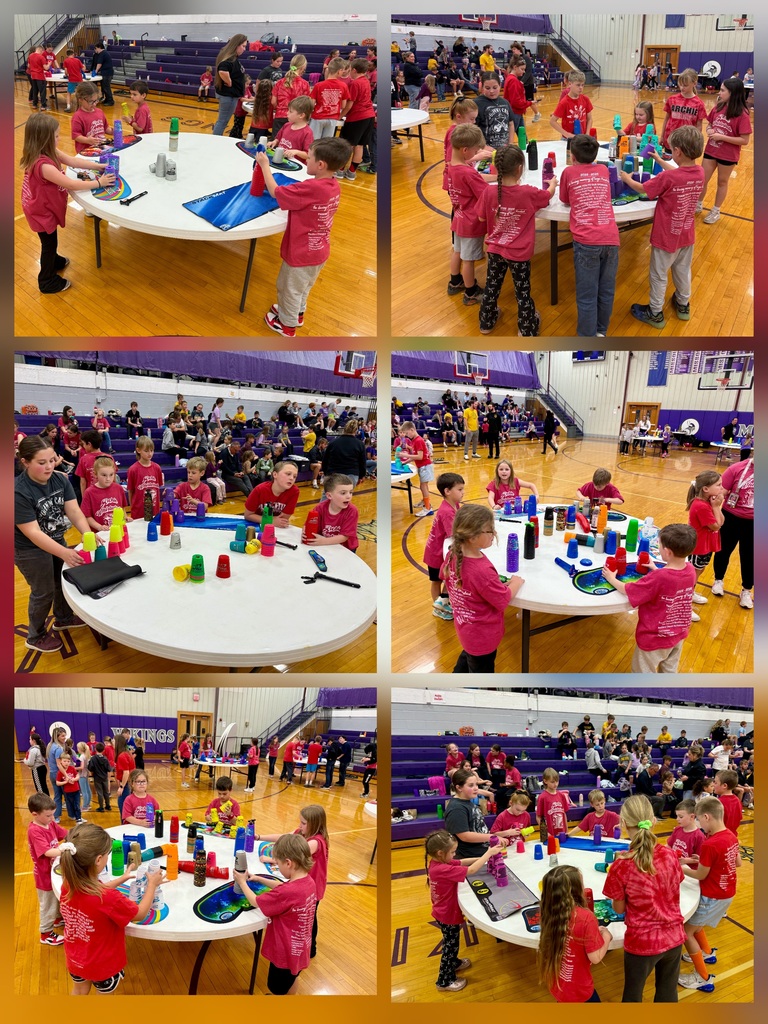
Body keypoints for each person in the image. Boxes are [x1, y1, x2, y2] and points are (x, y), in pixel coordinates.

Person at [256, 137, 351, 337]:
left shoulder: (311, 188)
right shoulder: (333, 185)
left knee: (288, 288)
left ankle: (287, 326)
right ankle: (297, 314)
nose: (306, 160)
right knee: (303, 287)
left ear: (320, 164)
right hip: (320, 250)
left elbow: (275, 192)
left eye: (309, 157)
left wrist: (265, 165)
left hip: (301, 252)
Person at [59, 822, 165, 994]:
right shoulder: (108, 898)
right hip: (103, 965)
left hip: (76, 958)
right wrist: (152, 885)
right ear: (99, 860)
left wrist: (120, 879)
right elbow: (139, 914)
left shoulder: (68, 885)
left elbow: (94, 892)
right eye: (107, 854)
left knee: (78, 991)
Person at [601, 795, 685, 1001]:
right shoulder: (670, 854)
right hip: (674, 937)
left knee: (632, 996)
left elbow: (619, 909)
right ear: (654, 821)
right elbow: (674, 885)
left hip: (642, 943)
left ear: (622, 824)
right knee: (667, 993)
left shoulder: (621, 865)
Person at [15, 436, 94, 654]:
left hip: (56, 538)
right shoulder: (17, 491)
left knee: (62, 581)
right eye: (42, 463)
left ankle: (63, 618)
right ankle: (36, 635)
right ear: (25, 462)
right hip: (28, 548)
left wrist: (87, 534)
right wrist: (65, 553)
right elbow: (32, 533)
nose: (49, 466)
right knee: (43, 591)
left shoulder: (60, 479)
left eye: (52, 460)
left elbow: (74, 511)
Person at [20, 112, 115, 294]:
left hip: (42, 207)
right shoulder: (44, 165)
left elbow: (72, 161)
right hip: (40, 211)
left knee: (50, 241)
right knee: (48, 244)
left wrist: (99, 166)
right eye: (55, 136)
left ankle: (55, 260)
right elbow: (71, 184)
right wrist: (99, 183)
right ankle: (47, 281)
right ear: (44, 139)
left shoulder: (48, 151)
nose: (59, 139)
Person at [621, 126, 705, 327]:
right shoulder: (699, 172)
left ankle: (655, 313)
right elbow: (679, 174)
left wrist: (626, 178)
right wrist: (660, 161)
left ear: (677, 152)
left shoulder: (668, 178)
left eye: (672, 149)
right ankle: (683, 304)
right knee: (683, 271)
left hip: (666, 236)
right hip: (686, 234)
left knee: (658, 276)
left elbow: (643, 189)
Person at [603, 523, 697, 672]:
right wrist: (655, 568)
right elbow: (674, 583)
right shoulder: (690, 569)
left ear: (667, 552)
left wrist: (611, 578)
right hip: (678, 634)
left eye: (659, 544)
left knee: (642, 673)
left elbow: (629, 590)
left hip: (654, 638)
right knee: (669, 671)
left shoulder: (659, 577)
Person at [442, 504, 523, 673]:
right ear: (472, 537)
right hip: (483, 638)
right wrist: (516, 582)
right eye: (490, 530)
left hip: (466, 630)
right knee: (481, 673)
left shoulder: (453, 553)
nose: (494, 534)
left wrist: (494, 586)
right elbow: (502, 600)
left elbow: (452, 581)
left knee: (469, 657)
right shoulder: (482, 570)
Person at [233, 833, 316, 995]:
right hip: (300, 948)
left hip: (284, 953)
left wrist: (242, 882)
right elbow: (282, 886)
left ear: (288, 863)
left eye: (278, 864)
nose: (277, 867)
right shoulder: (308, 882)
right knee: (293, 977)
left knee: (276, 988)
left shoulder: (288, 892)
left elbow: (256, 901)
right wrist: (259, 879)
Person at [557, 134, 620, 337]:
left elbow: (564, 199)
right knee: (606, 291)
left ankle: (586, 337)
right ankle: (601, 331)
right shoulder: (603, 169)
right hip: (611, 238)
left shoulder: (568, 171)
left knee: (587, 295)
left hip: (586, 241)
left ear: (573, 157)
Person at [678, 795, 741, 990]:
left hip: (713, 895)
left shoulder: (710, 843)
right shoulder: (731, 835)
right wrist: (705, 859)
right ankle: (706, 952)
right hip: (727, 892)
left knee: (685, 931)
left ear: (706, 817)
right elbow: (736, 863)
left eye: (697, 819)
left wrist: (679, 868)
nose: (698, 823)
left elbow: (700, 874)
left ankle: (702, 977)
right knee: (696, 925)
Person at [425, 829, 496, 992]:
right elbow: (470, 870)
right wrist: (488, 853)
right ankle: (444, 981)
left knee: (452, 943)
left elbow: (463, 862)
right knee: (450, 947)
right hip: (447, 915)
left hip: (443, 912)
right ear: (440, 853)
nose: (455, 854)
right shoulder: (441, 869)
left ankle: (454, 962)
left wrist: (483, 858)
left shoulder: (439, 862)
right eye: (453, 852)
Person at [538, 864, 612, 1001]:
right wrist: (606, 936)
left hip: (557, 985)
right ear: (576, 890)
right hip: (580, 990)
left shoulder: (548, 910)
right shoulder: (586, 918)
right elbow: (595, 958)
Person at [698, 78, 751, 223]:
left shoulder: (743, 114)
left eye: (722, 90)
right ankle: (698, 204)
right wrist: (709, 130)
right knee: (702, 179)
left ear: (732, 93)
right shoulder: (718, 107)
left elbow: (744, 140)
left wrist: (722, 137)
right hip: (711, 150)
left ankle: (716, 210)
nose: (719, 92)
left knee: (722, 182)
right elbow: (709, 124)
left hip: (728, 155)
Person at [711, 450, 753, 608]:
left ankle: (747, 590)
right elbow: (720, 490)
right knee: (723, 550)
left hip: (755, 522)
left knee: (750, 557)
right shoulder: (737, 468)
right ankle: (718, 580)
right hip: (731, 516)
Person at [28, 792, 69, 946]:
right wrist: (65, 849)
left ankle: (58, 919)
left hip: (53, 872)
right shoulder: (35, 831)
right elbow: (47, 852)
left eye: (53, 815)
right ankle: (45, 933)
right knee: (48, 905)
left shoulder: (49, 823)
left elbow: (64, 833)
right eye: (48, 815)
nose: (52, 818)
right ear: (35, 814)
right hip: (44, 876)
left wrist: (76, 835)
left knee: (56, 898)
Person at [423, 472, 464, 620]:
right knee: (436, 581)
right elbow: (454, 535)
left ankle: (444, 602)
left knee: (448, 577)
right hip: (436, 553)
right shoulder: (447, 512)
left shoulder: (454, 504)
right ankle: (437, 606)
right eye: (459, 490)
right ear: (447, 491)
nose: (463, 493)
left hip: (443, 552)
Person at [444, 767, 509, 858]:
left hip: (482, 851)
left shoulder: (467, 801)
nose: (476, 788)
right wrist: (492, 837)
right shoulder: (457, 808)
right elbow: (465, 836)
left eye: (476, 785)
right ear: (459, 788)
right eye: (471, 785)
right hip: (469, 857)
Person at [687, 470, 724, 616]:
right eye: (719, 485)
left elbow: (721, 521)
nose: (722, 488)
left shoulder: (709, 501)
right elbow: (716, 525)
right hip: (698, 547)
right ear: (706, 488)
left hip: (706, 545)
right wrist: (716, 507)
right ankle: (685, 604)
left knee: (699, 570)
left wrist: (716, 507)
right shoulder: (701, 506)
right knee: (692, 575)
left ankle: (691, 593)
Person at [338, 59, 376, 179]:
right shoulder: (366, 81)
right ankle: (352, 172)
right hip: (369, 116)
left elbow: (349, 105)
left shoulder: (355, 83)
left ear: (354, 70)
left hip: (357, 117)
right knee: (359, 146)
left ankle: (340, 170)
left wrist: (339, 116)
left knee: (346, 145)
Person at [305, 474, 359, 549]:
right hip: (327, 543)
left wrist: (323, 541)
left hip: (346, 548)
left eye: (351, 492)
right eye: (343, 493)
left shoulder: (352, 511)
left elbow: (344, 536)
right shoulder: (320, 508)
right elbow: (308, 525)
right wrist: (305, 533)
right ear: (329, 496)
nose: (348, 496)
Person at [244, 460, 299, 527]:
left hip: (276, 527)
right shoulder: (259, 489)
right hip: (256, 525)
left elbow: (283, 519)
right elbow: (247, 515)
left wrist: (273, 521)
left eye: (294, 476)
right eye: (288, 474)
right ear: (275, 474)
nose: (291, 478)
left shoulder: (294, 491)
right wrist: (270, 521)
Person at [212, 34, 247, 135]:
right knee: (222, 122)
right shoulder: (230, 59)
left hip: (231, 95)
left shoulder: (232, 57)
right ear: (236, 45)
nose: (244, 49)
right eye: (243, 46)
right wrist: (229, 81)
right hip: (228, 96)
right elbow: (222, 70)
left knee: (222, 121)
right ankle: (215, 142)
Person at [126, 435, 163, 521]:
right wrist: (132, 508)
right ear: (138, 450)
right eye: (146, 451)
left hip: (154, 511)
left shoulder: (157, 468)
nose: (150, 453)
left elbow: (158, 488)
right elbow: (130, 491)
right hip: (139, 512)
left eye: (151, 450)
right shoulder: (133, 469)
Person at [550, 71, 593, 139]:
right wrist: (566, 134)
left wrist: (587, 133)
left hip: (582, 138)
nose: (581, 87)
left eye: (582, 85)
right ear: (570, 84)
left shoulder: (586, 99)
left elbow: (589, 119)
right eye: (578, 85)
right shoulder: (564, 102)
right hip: (567, 140)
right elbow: (552, 121)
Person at [273, 95, 315, 162]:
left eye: (290, 111)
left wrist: (296, 152)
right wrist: (274, 142)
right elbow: (278, 139)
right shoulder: (286, 125)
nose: (287, 113)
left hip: (294, 166)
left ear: (301, 115)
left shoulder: (307, 133)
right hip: (281, 160)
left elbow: (308, 155)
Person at [537, 767, 571, 835]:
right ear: (545, 781)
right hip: (549, 833)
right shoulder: (542, 797)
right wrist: (545, 832)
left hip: (562, 832)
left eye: (557, 781)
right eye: (552, 782)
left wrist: (566, 830)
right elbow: (538, 817)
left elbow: (564, 814)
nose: (555, 784)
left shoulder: (562, 795)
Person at [713, 769, 742, 835]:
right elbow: (739, 818)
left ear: (724, 786)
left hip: (719, 837)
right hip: (732, 836)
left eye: (715, 782)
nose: (713, 784)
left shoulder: (718, 803)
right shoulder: (737, 800)